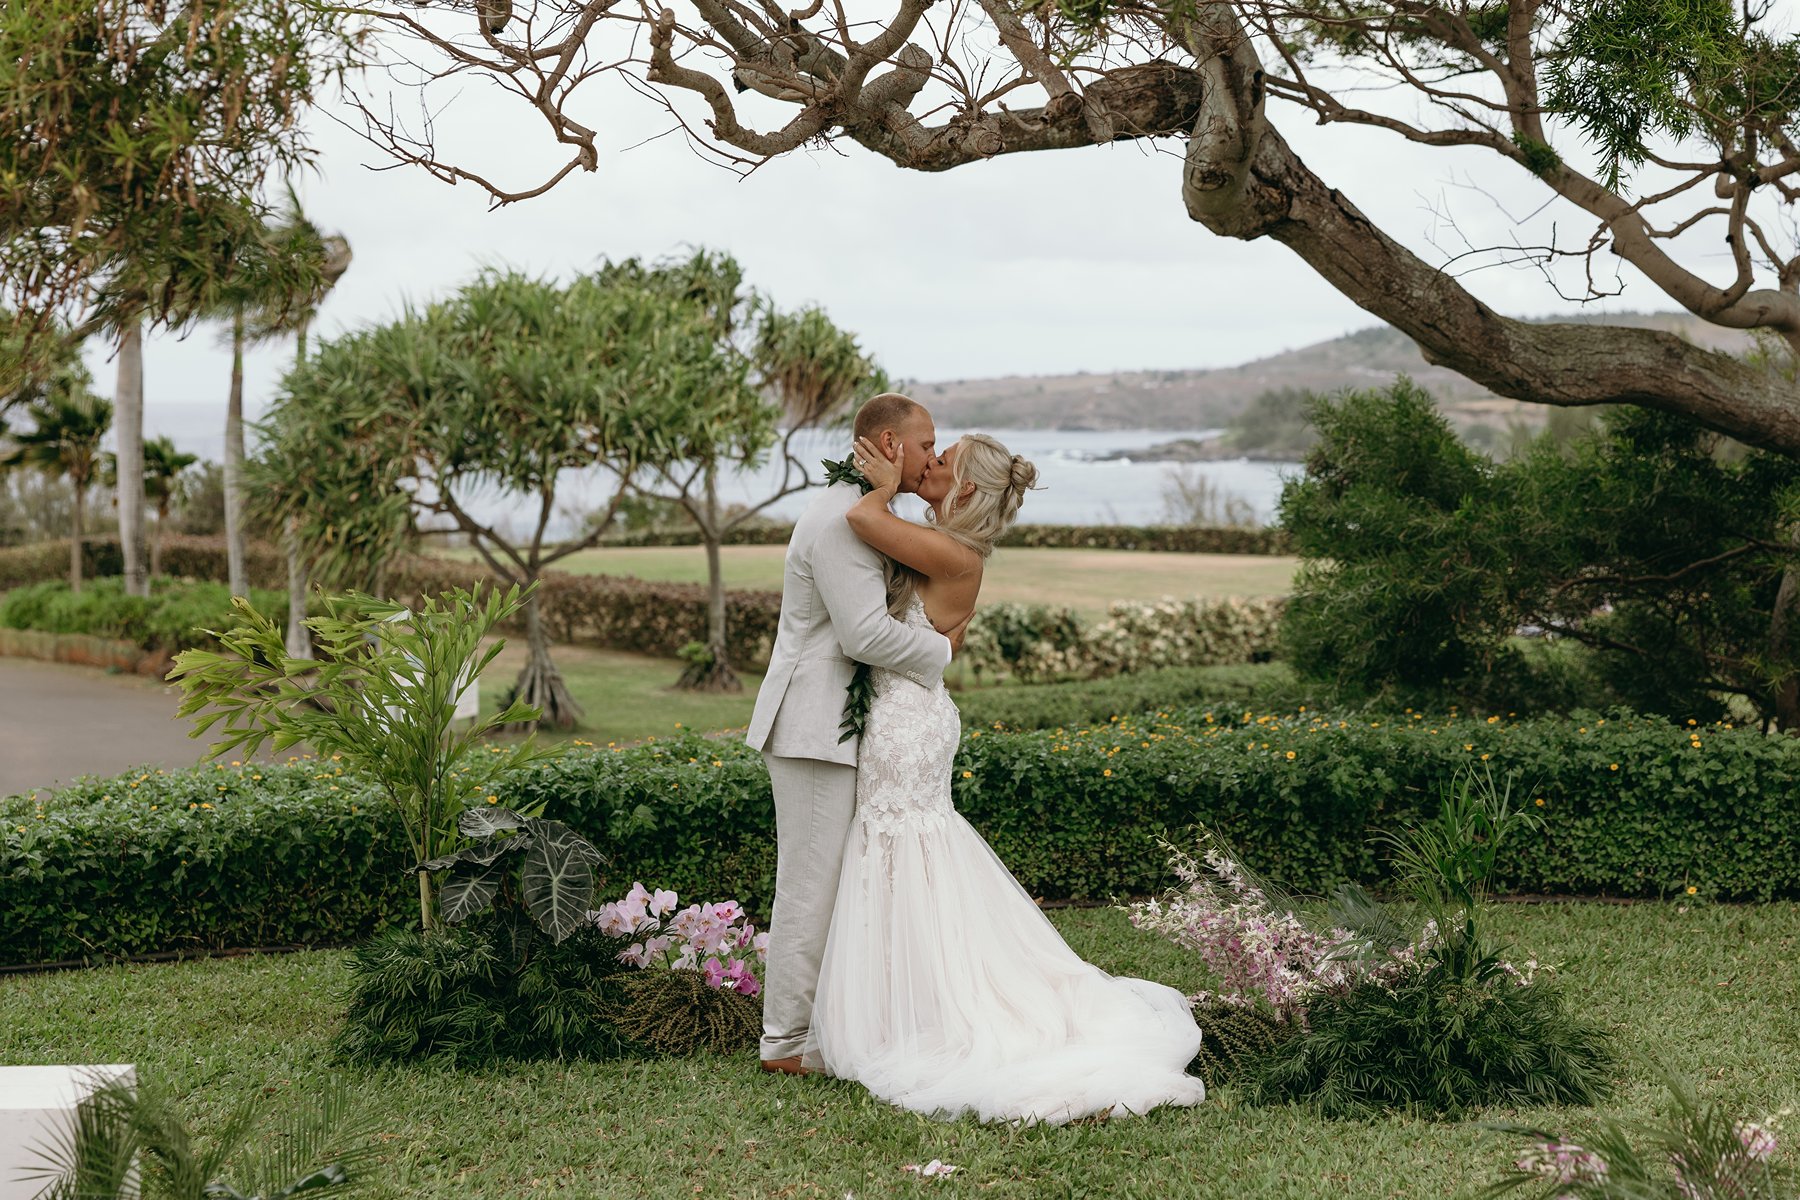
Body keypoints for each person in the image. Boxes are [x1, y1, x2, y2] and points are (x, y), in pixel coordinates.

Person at [801, 429, 1208, 1126]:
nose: (928, 463)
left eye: (942, 460)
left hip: (909, 722)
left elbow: (864, 520)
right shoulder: (941, 542)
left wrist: (878, 482)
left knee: (903, 844)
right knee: (907, 850)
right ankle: (912, 995)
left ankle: (922, 1010)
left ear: (962, 490)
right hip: (907, 711)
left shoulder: (954, 550)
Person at [745, 392, 959, 1076]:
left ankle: (825, 1028)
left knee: (833, 882)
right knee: (809, 884)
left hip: (837, 727)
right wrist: (943, 654)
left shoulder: (860, 512)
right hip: (813, 726)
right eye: (925, 443)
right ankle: (785, 1044)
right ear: (891, 446)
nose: (933, 454)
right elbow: (863, 634)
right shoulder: (840, 519)